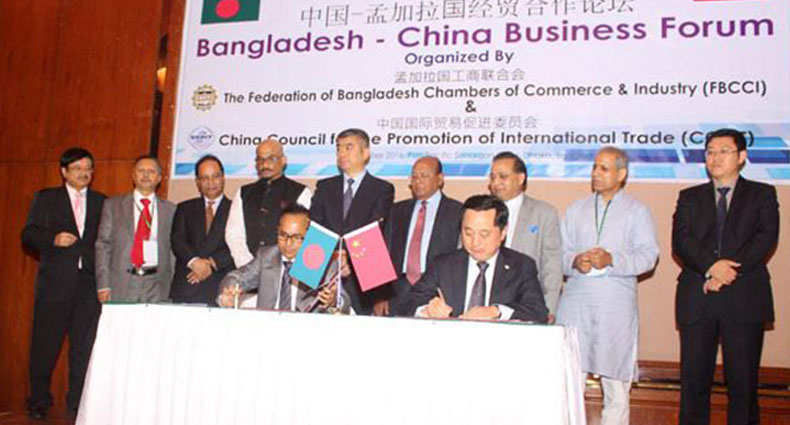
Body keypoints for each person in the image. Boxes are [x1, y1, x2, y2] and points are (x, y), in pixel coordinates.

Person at [673, 128, 779, 425]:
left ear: (742, 156)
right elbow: (681, 241)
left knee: (743, 386)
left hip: (744, 298)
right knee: (694, 385)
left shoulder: (762, 194)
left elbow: (765, 238)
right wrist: (712, 267)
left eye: (723, 151)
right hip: (698, 296)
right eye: (709, 152)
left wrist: (728, 271)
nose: (715, 157)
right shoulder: (689, 197)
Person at [556, 147, 659, 425]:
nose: (595, 173)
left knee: (616, 385)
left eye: (604, 168)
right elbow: (559, 255)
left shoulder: (637, 211)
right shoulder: (576, 209)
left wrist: (612, 259)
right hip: (577, 303)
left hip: (615, 304)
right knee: (569, 381)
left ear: (621, 174)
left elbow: (649, 256)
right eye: (594, 167)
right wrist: (575, 261)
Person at [21, 148, 105, 420]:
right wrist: (53, 239)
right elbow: (28, 234)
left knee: (83, 348)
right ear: (64, 171)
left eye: (88, 168)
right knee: (45, 345)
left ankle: (76, 403)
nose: (84, 173)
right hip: (55, 285)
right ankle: (38, 400)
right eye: (78, 168)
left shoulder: (102, 202)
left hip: (88, 286)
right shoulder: (47, 198)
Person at [403, 194, 548, 323]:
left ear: (503, 232)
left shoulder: (521, 266)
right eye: (468, 233)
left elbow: (538, 311)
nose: (475, 242)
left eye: (484, 234)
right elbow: (408, 304)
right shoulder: (443, 265)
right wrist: (427, 309)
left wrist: (496, 311)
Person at [310, 128, 394, 315]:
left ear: (365, 153)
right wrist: (334, 257)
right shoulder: (324, 187)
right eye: (338, 148)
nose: (342, 153)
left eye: (348, 147)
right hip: (325, 275)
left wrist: (352, 258)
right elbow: (316, 225)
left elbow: (376, 230)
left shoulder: (382, 189)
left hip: (362, 281)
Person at [217, 204, 350, 313]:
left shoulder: (320, 259)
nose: (288, 243)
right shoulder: (267, 256)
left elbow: (343, 299)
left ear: (309, 236)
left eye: (296, 237)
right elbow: (235, 277)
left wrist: (333, 300)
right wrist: (228, 293)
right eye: (283, 235)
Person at [380, 156, 462, 316]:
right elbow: (385, 253)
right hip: (397, 292)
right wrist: (380, 296)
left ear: (440, 179)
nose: (418, 181)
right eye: (414, 176)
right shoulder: (396, 211)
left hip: (436, 292)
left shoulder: (457, 212)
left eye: (424, 176)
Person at [488, 151, 562, 321]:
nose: (496, 183)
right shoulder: (481, 212)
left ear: (521, 178)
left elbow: (552, 265)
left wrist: (548, 308)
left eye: (503, 177)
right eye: (492, 177)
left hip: (526, 304)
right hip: (485, 303)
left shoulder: (544, 214)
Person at [95, 155, 175, 302]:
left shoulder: (170, 210)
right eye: (141, 171)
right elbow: (103, 246)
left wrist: (173, 285)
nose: (145, 175)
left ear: (159, 178)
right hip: (122, 282)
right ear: (133, 176)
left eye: (151, 171)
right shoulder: (113, 206)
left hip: (157, 284)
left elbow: (172, 251)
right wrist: (103, 285)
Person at [225, 138, 311, 267]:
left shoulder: (301, 192)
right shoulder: (243, 193)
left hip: (286, 269)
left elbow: (305, 236)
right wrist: (249, 266)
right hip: (247, 269)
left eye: (271, 159)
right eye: (260, 159)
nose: (265, 164)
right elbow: (234, 234)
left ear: (283, 160)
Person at [170, 155, 234, 305]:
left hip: (221, 288)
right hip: (187, 287)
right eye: (205, 178)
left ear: (223, 177)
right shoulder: (184, 208)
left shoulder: (236, 209)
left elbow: (239, 245)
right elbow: (177, 240)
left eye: (215, 176)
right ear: (197, 182)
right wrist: (194, 262)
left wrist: (211, 264)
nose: (211, 183)